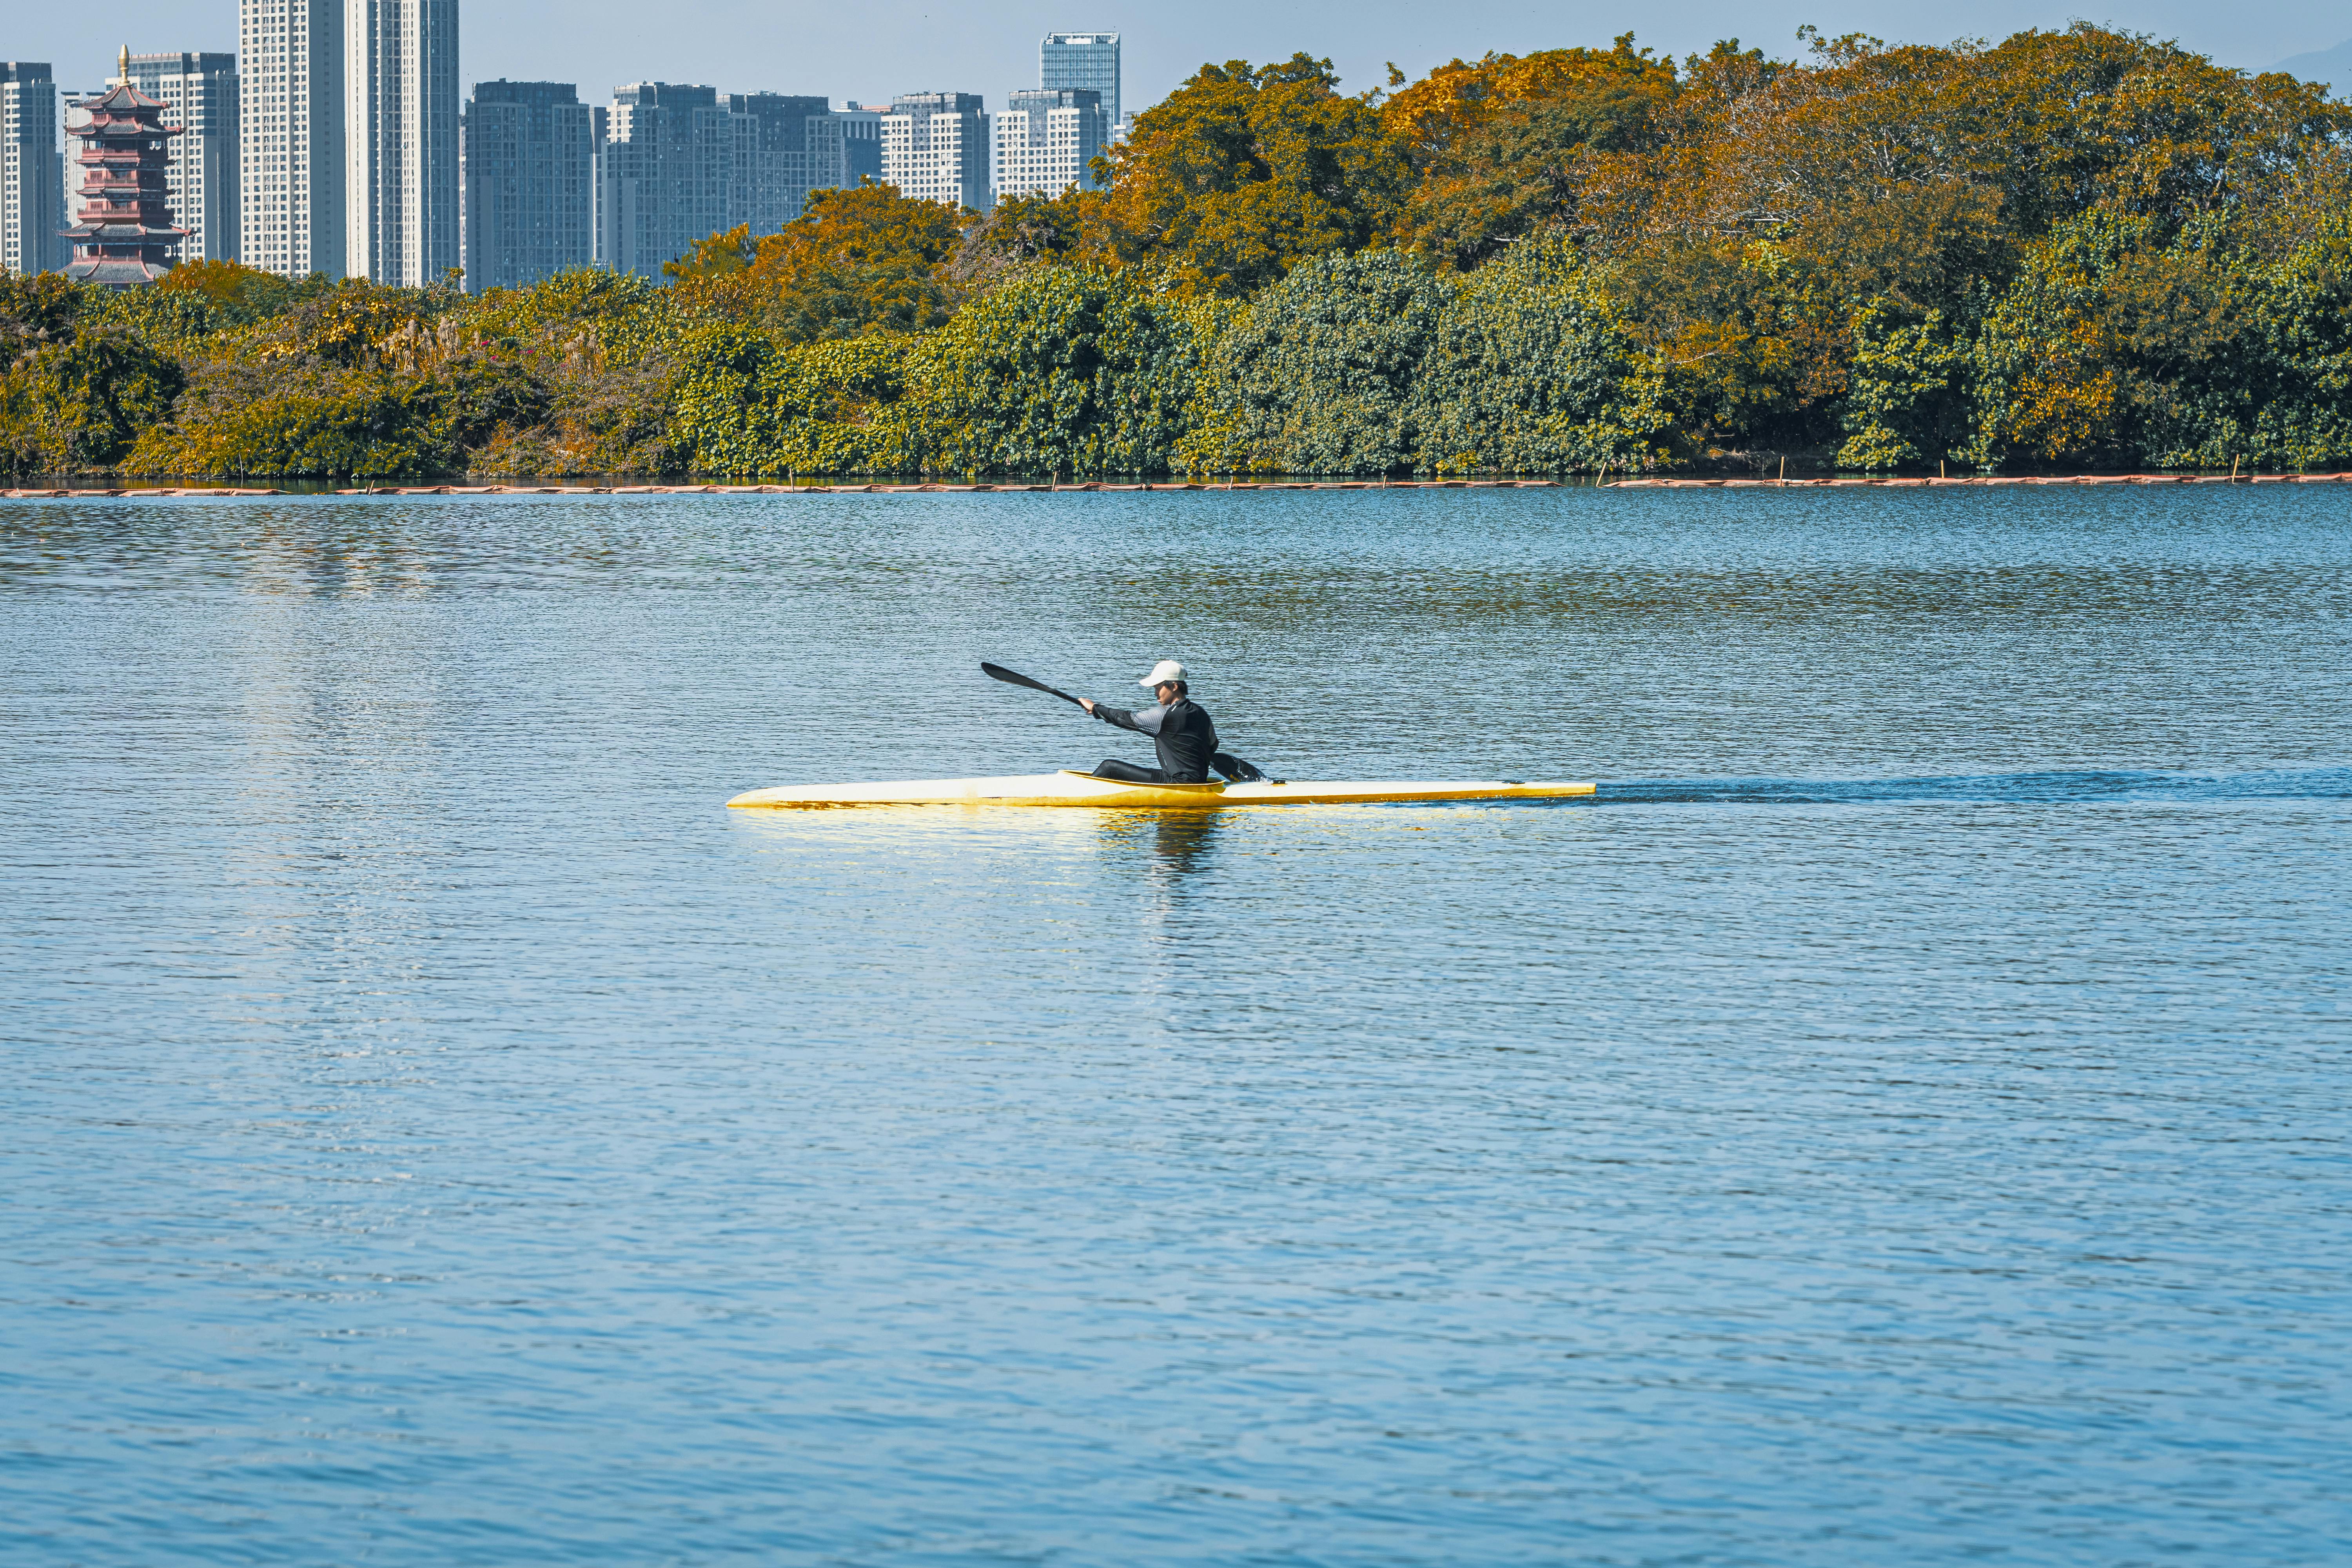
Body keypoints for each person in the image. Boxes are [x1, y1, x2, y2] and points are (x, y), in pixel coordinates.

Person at [1080, 659, 1258, 784]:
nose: (1156, 694)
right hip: (1198, 779)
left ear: (1174, 686)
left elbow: (1125, 719)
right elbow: (1213, 745)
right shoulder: (1201, 712)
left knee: (1109, 766)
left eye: (1159, 688)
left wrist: (1096, 708)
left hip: (1177, 782)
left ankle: (1079, 794)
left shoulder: (1164, 715)